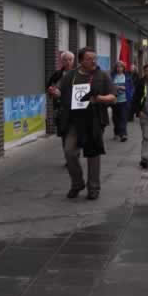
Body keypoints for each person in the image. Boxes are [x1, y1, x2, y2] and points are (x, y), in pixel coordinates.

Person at [58, 47, 116, 200]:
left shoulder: (102, 75)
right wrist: (55, 93)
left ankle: (93, 188)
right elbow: (61, 92)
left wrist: (99, 99)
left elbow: (112, 97)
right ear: (81, 61)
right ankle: (77, 183)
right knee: (69, 152)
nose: (93, 61)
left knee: (93, 154)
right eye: (89, 59)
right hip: (74, 121)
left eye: (95, 58)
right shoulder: (70, 76)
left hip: (95, 120)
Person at [47, 51, 76, 164]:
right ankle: (68, 157)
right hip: (61, 109)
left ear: (73, 61)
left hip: (76, 109)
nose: (68, 62)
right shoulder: (57, 74)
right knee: (64, 133)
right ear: (61, 61)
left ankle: (74, 155)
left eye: (70, 59)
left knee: (75, 133)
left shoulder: (79, 73)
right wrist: (51, 91)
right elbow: (50, 87)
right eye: (65, 60)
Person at [110, 61, 129, 142]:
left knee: (123, 117)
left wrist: (125, 88)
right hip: (114, 100)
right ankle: (116, 133)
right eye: (117, 67)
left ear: (123, 68)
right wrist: (115, 87)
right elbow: (109, 86)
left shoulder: (127, 77)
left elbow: (131, 88)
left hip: (124, 100)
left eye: (121, 67)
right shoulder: (112, 76)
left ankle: (123, 134)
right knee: (115, 118)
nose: (119, 68)